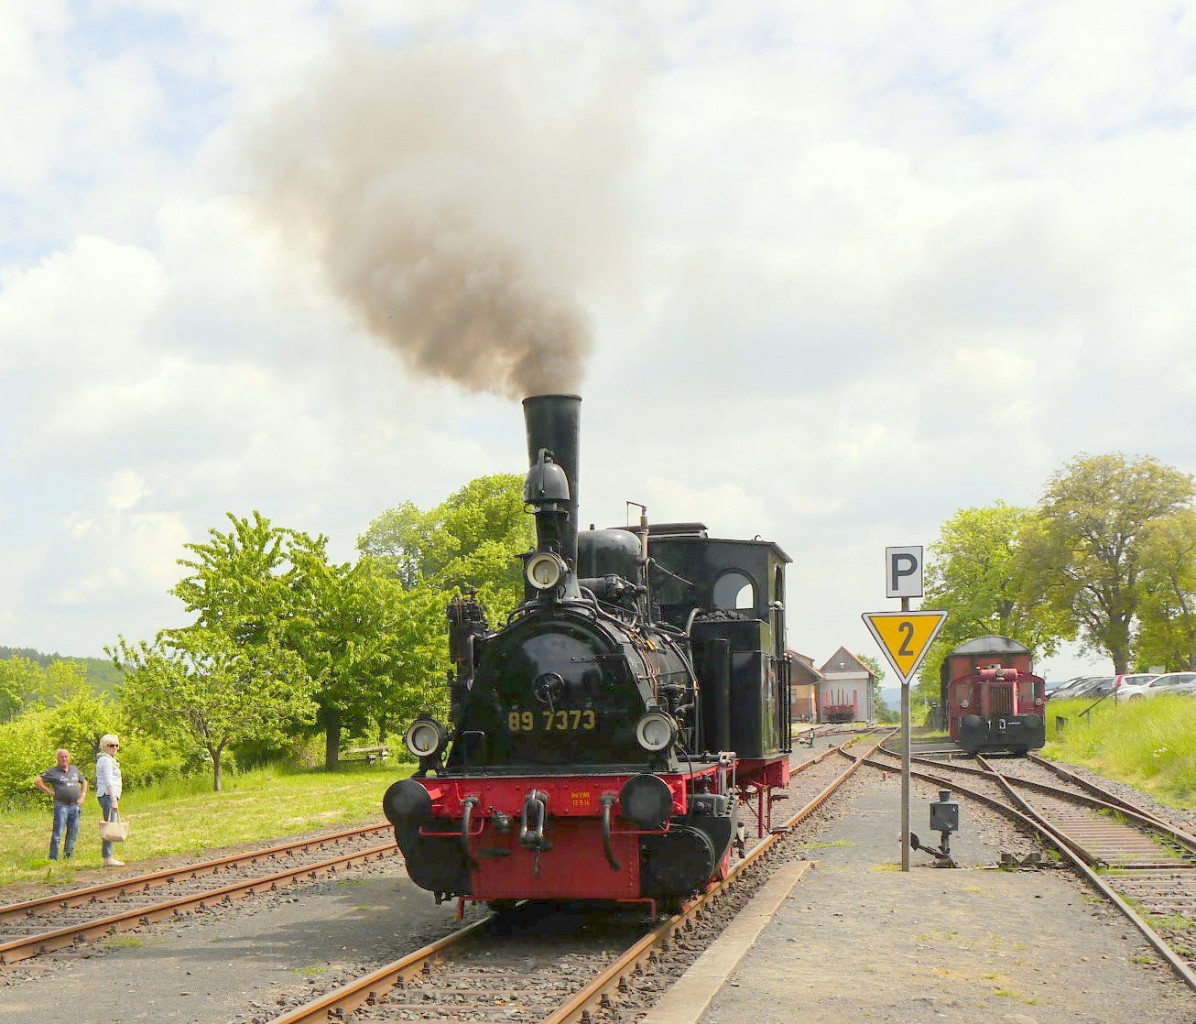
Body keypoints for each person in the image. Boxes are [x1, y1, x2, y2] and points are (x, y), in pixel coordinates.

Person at [33, 748, 88, 861]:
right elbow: (37, 781)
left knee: (73, 832)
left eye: (66, 756)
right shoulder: (53, 772)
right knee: (58, 832)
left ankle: (68, 856)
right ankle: (53, 858)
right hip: (62, 806)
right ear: (57, 758)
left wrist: (83, 795)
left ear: (69, 757)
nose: (64, 759)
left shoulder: (74, 769)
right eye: (61, 757)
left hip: (75, 805)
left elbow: (84, 781)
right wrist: (50, 792)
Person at [95, 733, 125, 867]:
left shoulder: (110, 759)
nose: (115, 748)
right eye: (111, 745)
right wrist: (113, 799)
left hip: (109, 795)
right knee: (109, 826)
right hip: (108, 795)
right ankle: (108, 857)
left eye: (116, 745)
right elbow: (108, 781)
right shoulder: (105, 760)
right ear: (104, 746)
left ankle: (108, 856)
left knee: (110, 824)